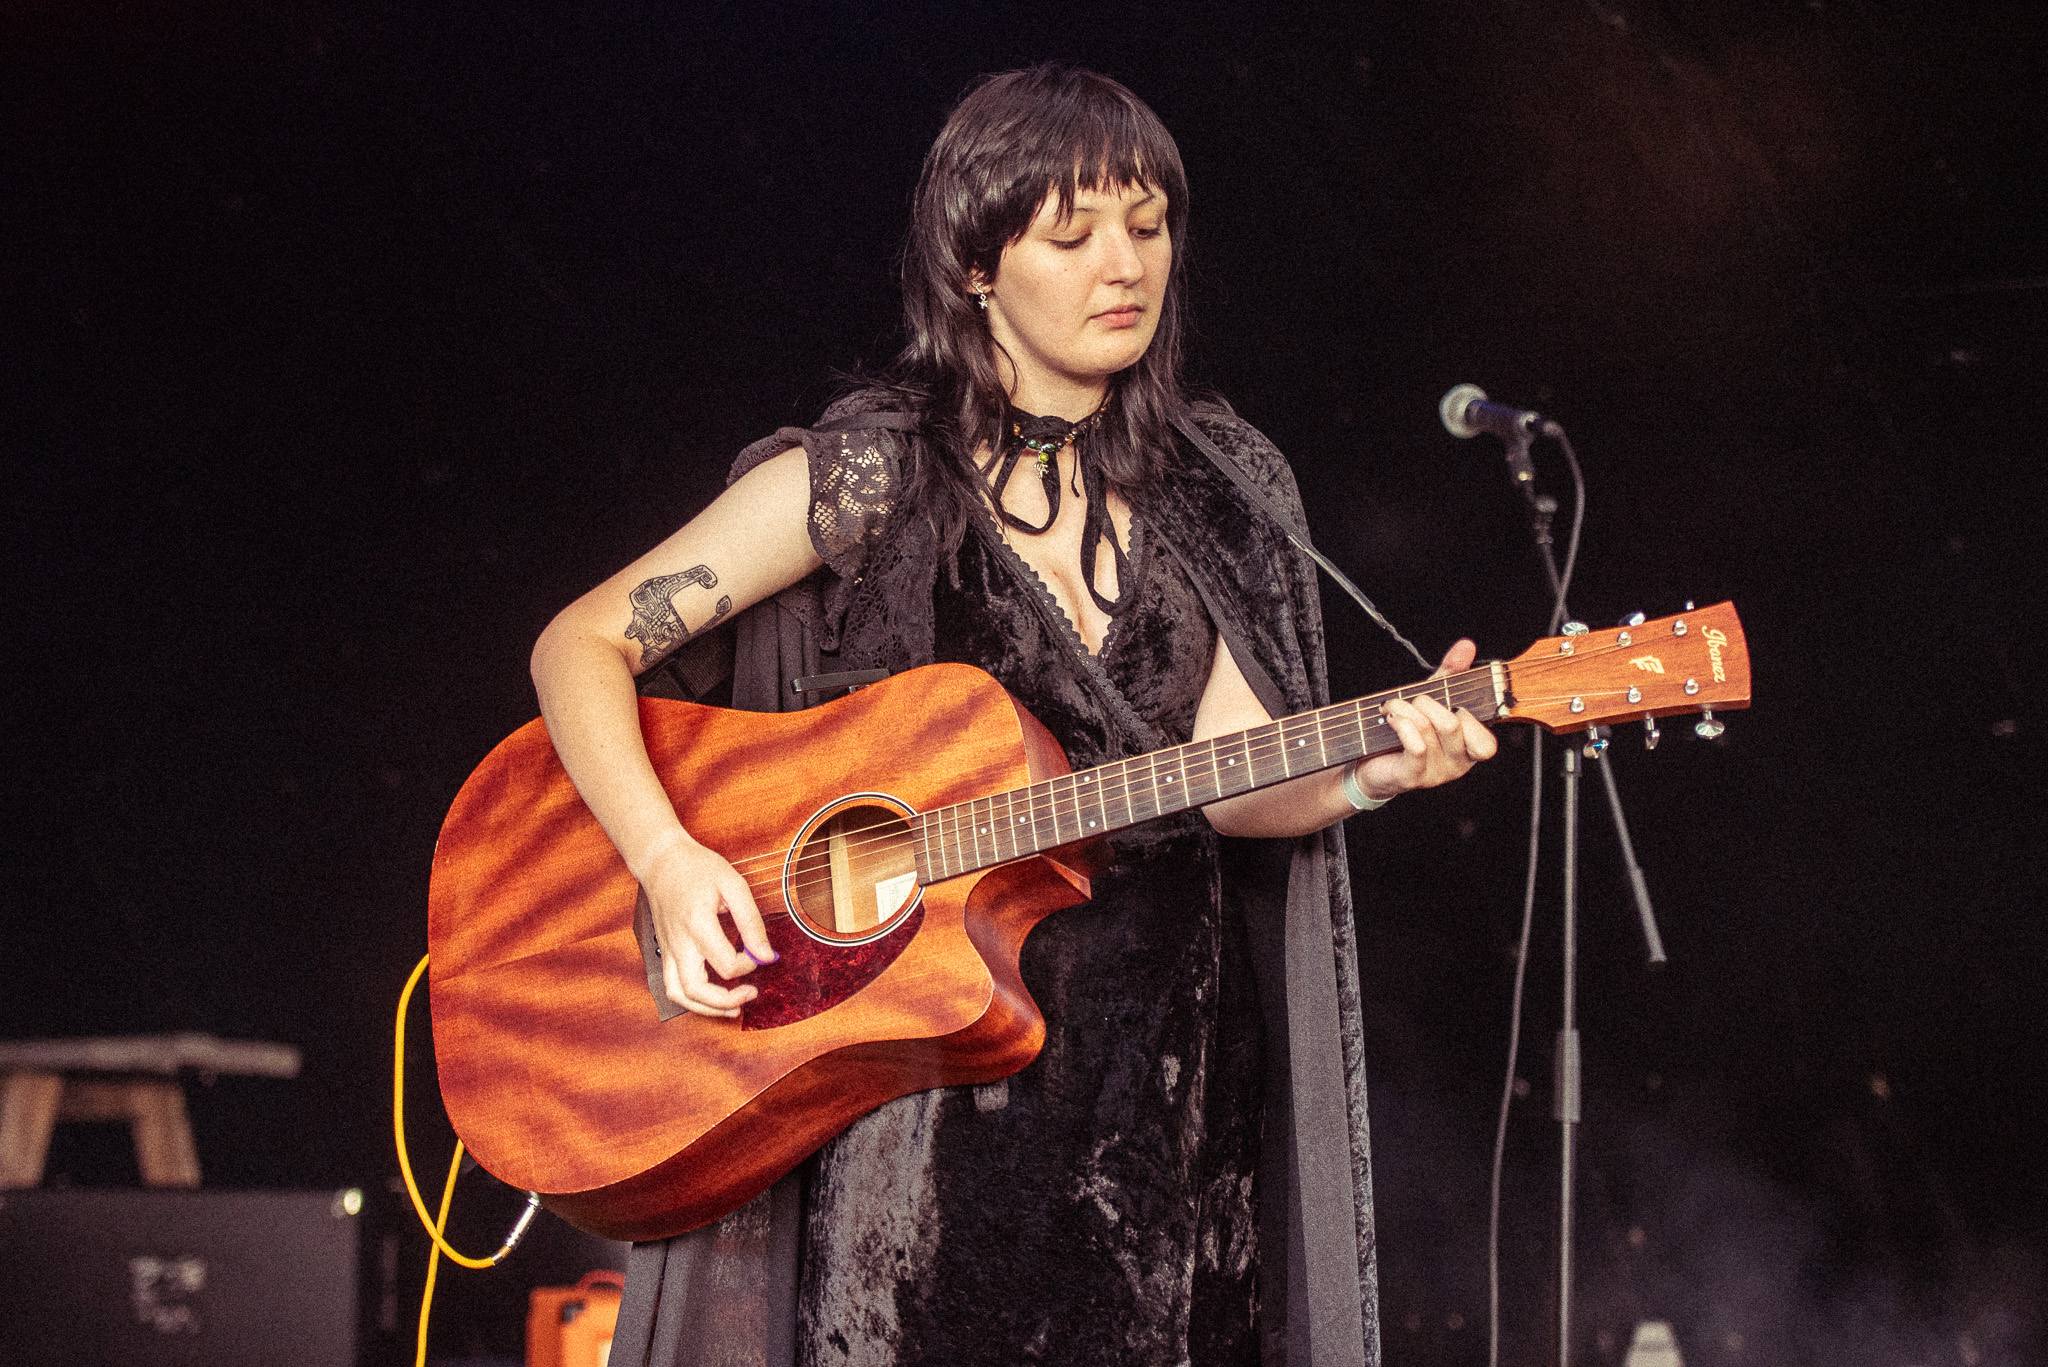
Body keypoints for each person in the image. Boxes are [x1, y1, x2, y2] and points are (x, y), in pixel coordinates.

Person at [530, 64, 1495, 1367]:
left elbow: (1231, 781)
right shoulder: (876, 468)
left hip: (1159, 1107)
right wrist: (668, 856)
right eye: (1073, 231)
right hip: (913, 1120)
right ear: (977, 262)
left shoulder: (1217, 483)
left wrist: (1377, 772)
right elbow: (579, 643)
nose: (1125, 266)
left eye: (1147, 226)